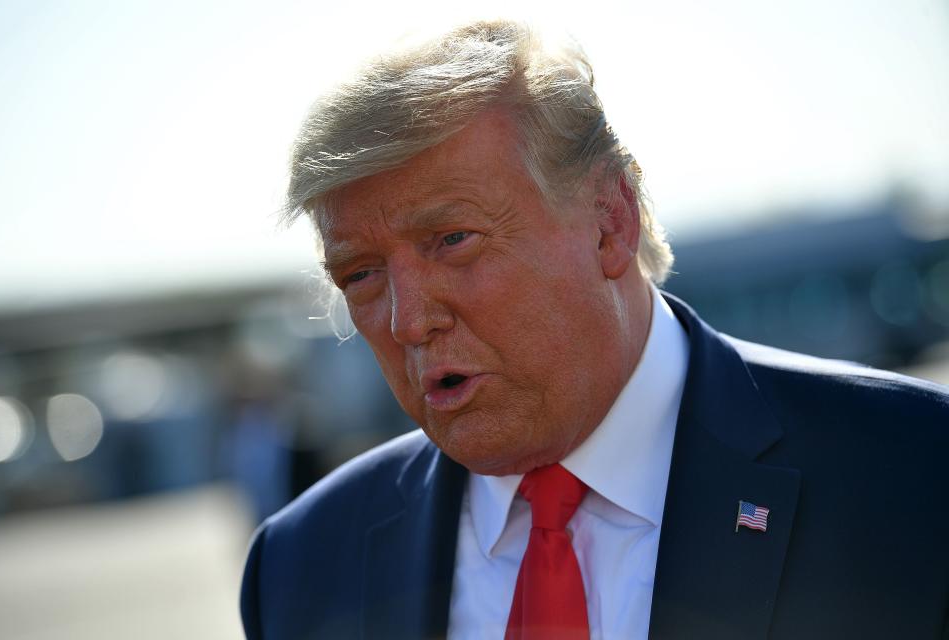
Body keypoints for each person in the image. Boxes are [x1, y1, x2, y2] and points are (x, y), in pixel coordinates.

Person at [240, 19, 949, 639]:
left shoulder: (914, 472)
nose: (409, 320)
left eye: (452, 238)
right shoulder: (300, 569)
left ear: (611, 220)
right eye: (361, 274)